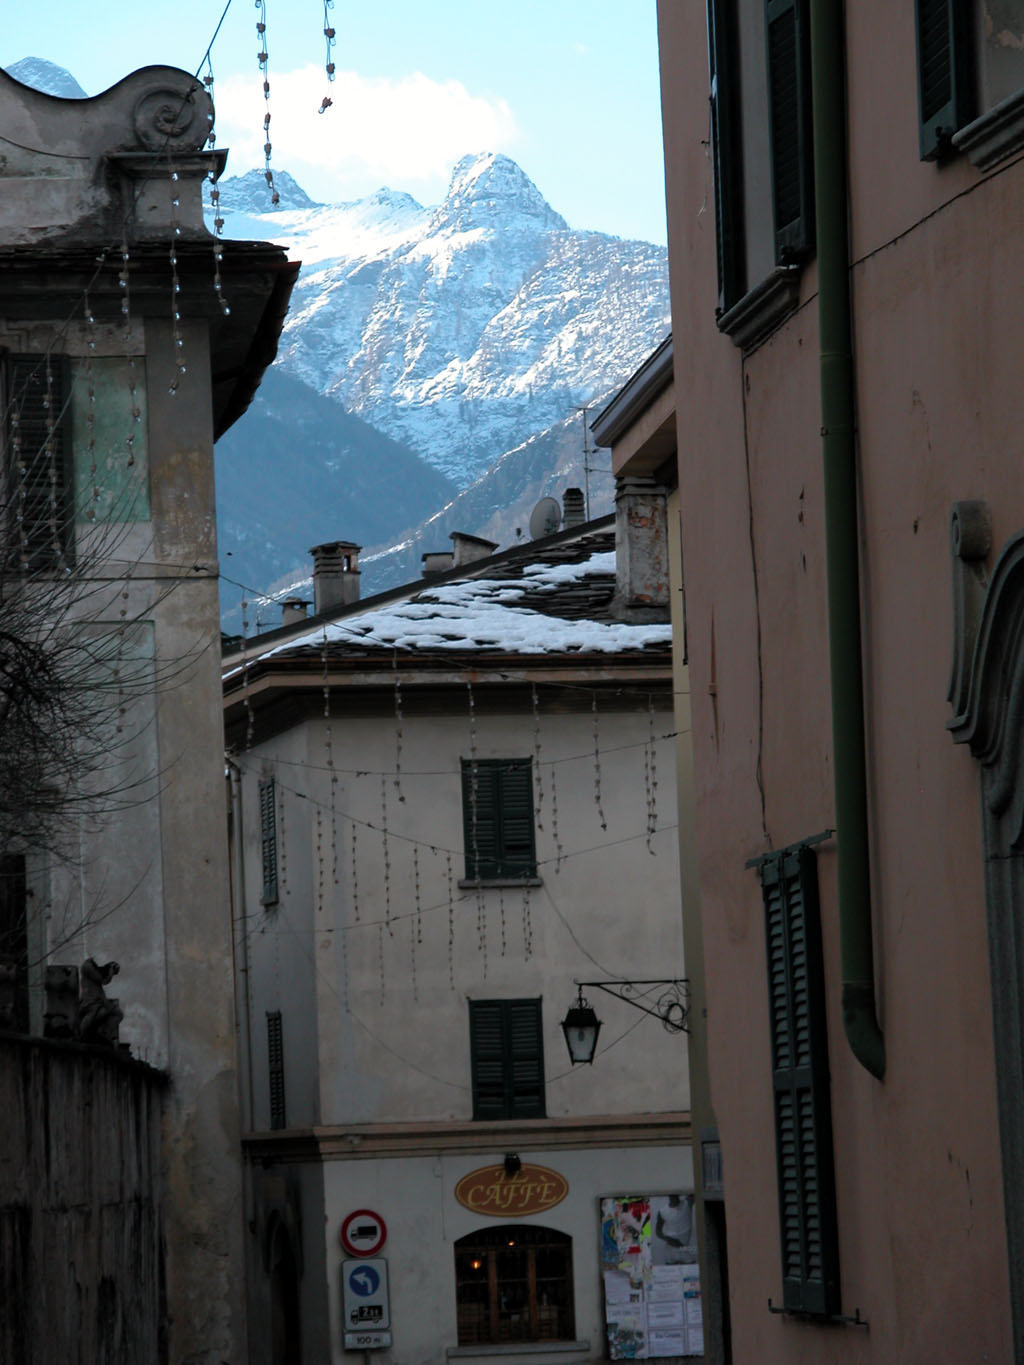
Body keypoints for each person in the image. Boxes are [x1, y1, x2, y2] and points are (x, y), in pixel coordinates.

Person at [653, 1194, 697, 1264]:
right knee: (671, 1271)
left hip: (686, 1249)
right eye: (672, 1195)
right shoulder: (663, 1211)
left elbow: (696, 1192)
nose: (674, 1197)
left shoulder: (687, 1203)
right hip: (671, 1252)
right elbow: (658, 1232)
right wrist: (669, 1240)